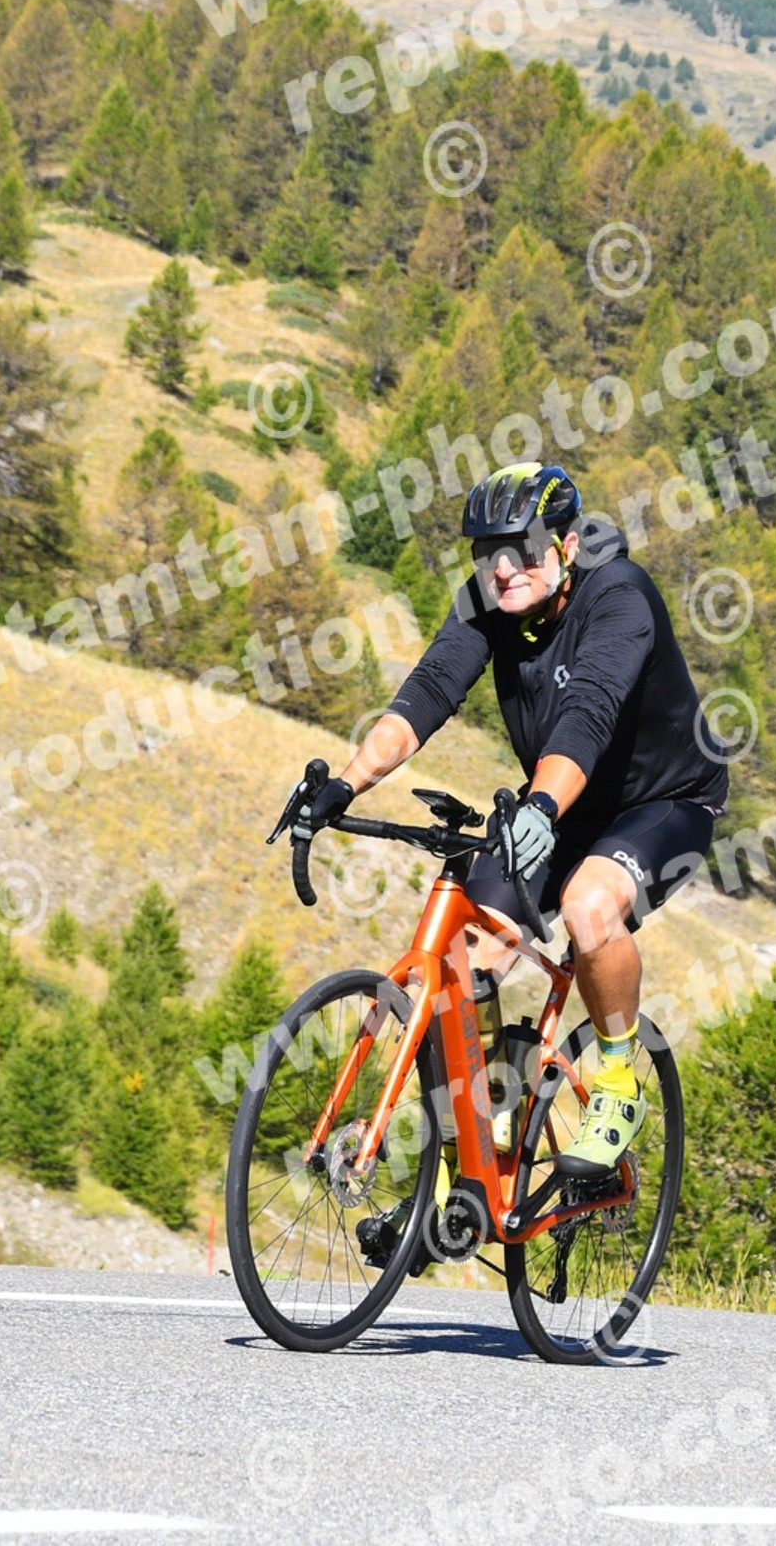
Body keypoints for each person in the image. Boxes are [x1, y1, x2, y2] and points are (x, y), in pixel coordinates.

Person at [289, 461, 728, 1185]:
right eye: (487, 552)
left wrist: (544, 807)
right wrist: (346, 781)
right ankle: (476, 1153)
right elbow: (428, 692)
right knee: (466, 954)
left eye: (522, 549)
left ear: (564, 545)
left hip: (663, 800)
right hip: (559, 796)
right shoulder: (488, 601)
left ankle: (618, 1083)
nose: (503, 569)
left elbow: (589, 711)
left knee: (589, 905)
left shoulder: (620, 595)